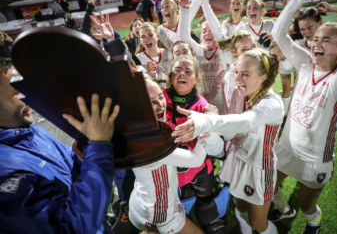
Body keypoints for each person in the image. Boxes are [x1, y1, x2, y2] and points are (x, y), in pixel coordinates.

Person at [269, 0, 337, 234]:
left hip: (315, 157)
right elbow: (279, 33)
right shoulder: (304, 62)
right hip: (286, 146)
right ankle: (282, 209)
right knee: (269, 184)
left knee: (306, 204)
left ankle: (314, 223)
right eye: (317, 38)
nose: (317, 43)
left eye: (327, 40)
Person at [0, 57, 120, 233]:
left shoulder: (30, 130)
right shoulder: (4, 171)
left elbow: (71, 169)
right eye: (18, 91)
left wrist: (85, 145)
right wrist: (99, 145)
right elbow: (71, 228)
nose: (30, 96)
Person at [172, 48, 283, 234]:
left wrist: (207, 121)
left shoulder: (272, 103)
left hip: (258, 167)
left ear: (263, 77)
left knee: (258, 223)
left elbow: (247, 121)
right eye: (237, 72)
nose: (238, 78)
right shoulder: (243, 91)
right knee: (239, 207)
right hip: (236, 159)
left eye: (245, 74)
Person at [129, 77, 222, 234]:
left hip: (140, 202)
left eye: (160, 97)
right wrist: (206, 122)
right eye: (151, 101)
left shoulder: (135, 128)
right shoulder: (152, 141)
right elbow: (197, 159)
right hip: (158, 214)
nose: (160, 105)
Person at [177, 0, 228, 114]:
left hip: (226, 106)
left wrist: (205, 3)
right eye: (204, 31)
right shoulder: (199, 51)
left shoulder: (224, 49)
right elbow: (183, 36)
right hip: (204, 107)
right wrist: (184, 11)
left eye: (211, 31)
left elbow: (219, 34)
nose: (207, 34)